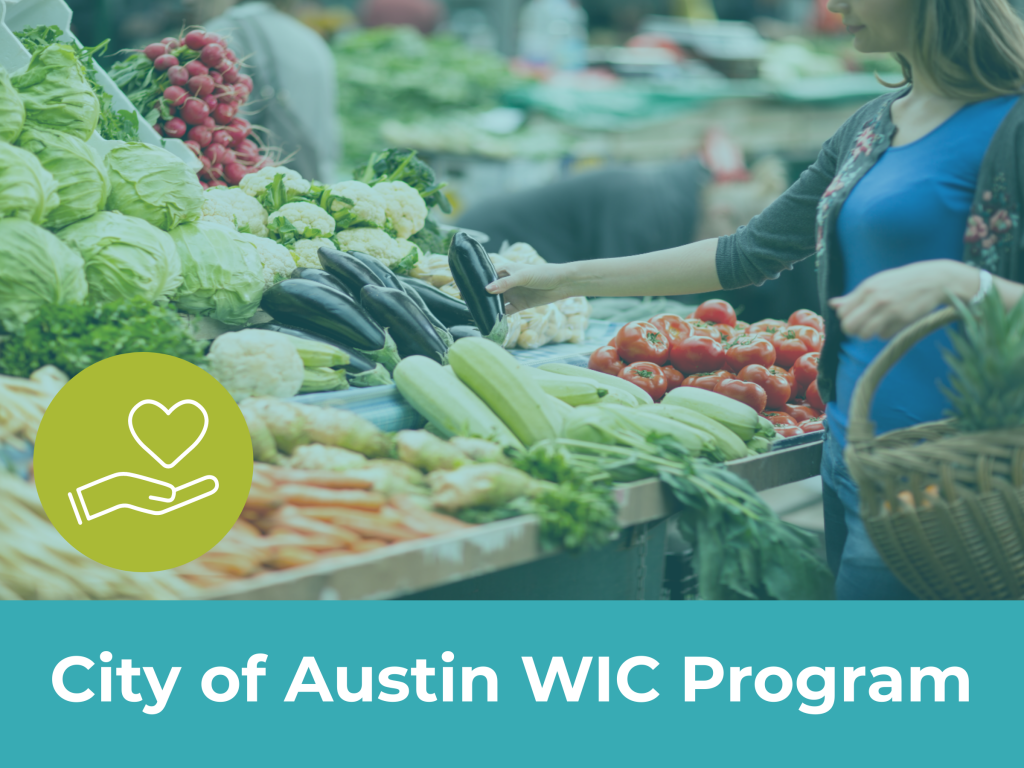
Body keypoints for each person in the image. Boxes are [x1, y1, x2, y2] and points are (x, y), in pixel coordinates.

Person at [487, 0, 1024, 600]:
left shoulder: (1012, 124)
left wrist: (968, 286)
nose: (834, 5)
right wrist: (560, 279)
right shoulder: (872, 126)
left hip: (970, 473)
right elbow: (744, 253)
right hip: (854, 459)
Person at [198, 0, 341, 182]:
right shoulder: (310, 38)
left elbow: (222, 139)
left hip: (265, 192)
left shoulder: (223, 35)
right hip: (315, 181)